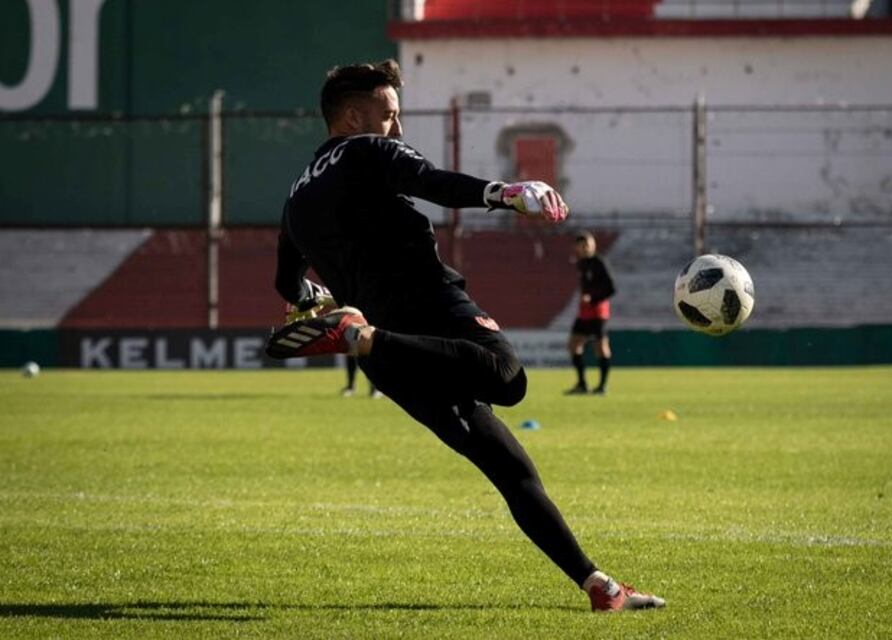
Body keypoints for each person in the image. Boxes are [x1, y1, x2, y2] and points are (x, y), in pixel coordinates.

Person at [266, 59, 664, 612]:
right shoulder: (364, 150)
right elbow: (431, 182)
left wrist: (313, 301)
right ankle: (361, 335)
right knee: (507, 376)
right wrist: (505, 192)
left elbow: (286, 281)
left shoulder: (294, 199)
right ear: (354, 116)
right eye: (389, 115)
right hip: (428, 307)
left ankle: (601, 587)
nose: (397, 129)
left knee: (510, 468)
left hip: (391, 357)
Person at [566, 232, 616, 395]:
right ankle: (582, 384)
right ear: (578, 247)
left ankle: (602, 386)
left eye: (589, 244)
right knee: (573, 345)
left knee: (601, 348)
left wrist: (593, 298)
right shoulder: (581, 264)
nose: (586, 248)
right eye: (583, 245)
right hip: (584, 313)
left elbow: (611, 289)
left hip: (598, 312)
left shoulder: (599, 263)